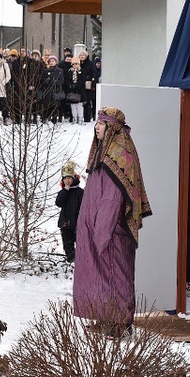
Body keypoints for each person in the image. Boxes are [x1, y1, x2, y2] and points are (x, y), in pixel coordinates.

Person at [73, 107, 152, 335]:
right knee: (102, 275)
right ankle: (106, 318)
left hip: (112, 231)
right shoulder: (103, 151)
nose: (96, 127)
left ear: (112, 128)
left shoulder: (119, 155)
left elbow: (112, 197)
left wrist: (102, 231)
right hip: (97, 228)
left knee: (115, 273)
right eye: (97, 123)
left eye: (101, 123)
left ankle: (120, 324)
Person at [55, 161, 84, 263]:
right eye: (65, 178)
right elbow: (59, 203)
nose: (67, 180)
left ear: (74, 178)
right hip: (65, 223)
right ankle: (71, 263)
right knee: (67, 246)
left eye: (69, 178)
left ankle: (81, 263)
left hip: (77, 223)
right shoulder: (63, 192)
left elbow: (84, 207)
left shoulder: (80, 192)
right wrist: (65, 190)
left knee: (81, 245)